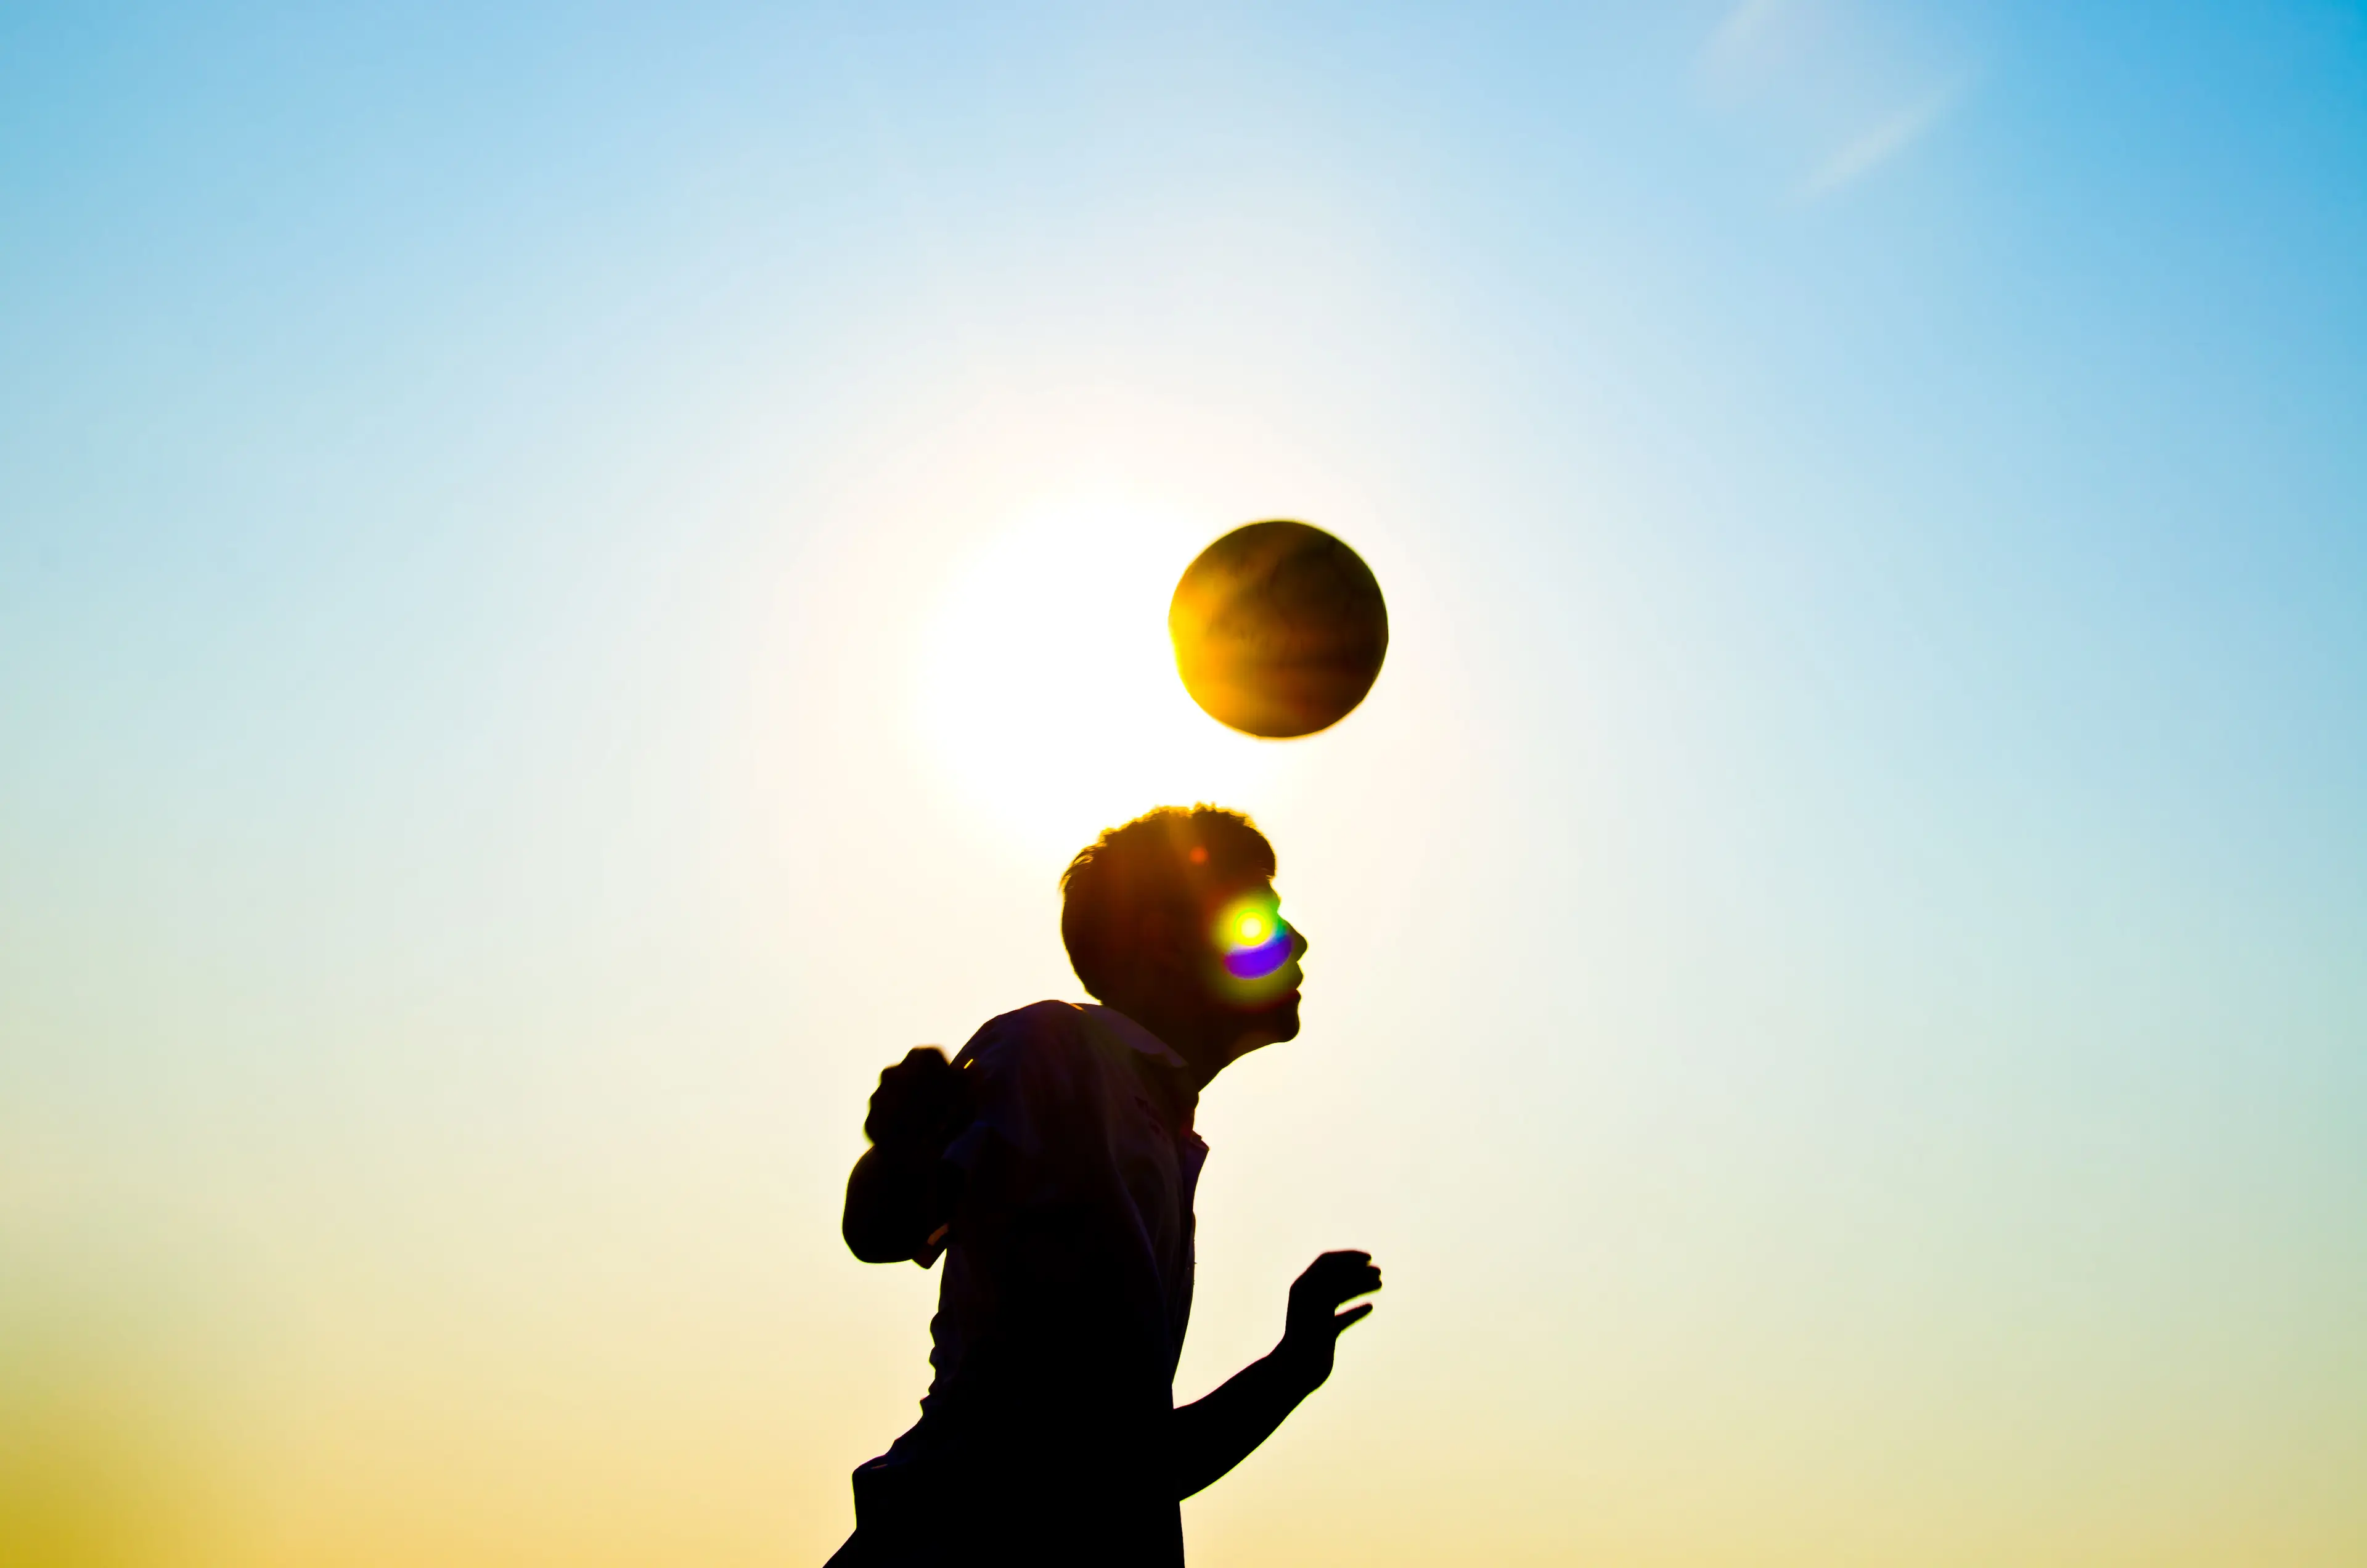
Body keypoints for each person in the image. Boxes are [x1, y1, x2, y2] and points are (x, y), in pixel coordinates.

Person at [828, 804, 1381, 1567]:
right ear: (1163, 941)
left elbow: (1131, 1473)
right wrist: (903, 1146)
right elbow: (882, 1225)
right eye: (1257, 924)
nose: (1297, 943)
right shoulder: (1057, 1050)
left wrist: (1290, 1368)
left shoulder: (1159, 1127)